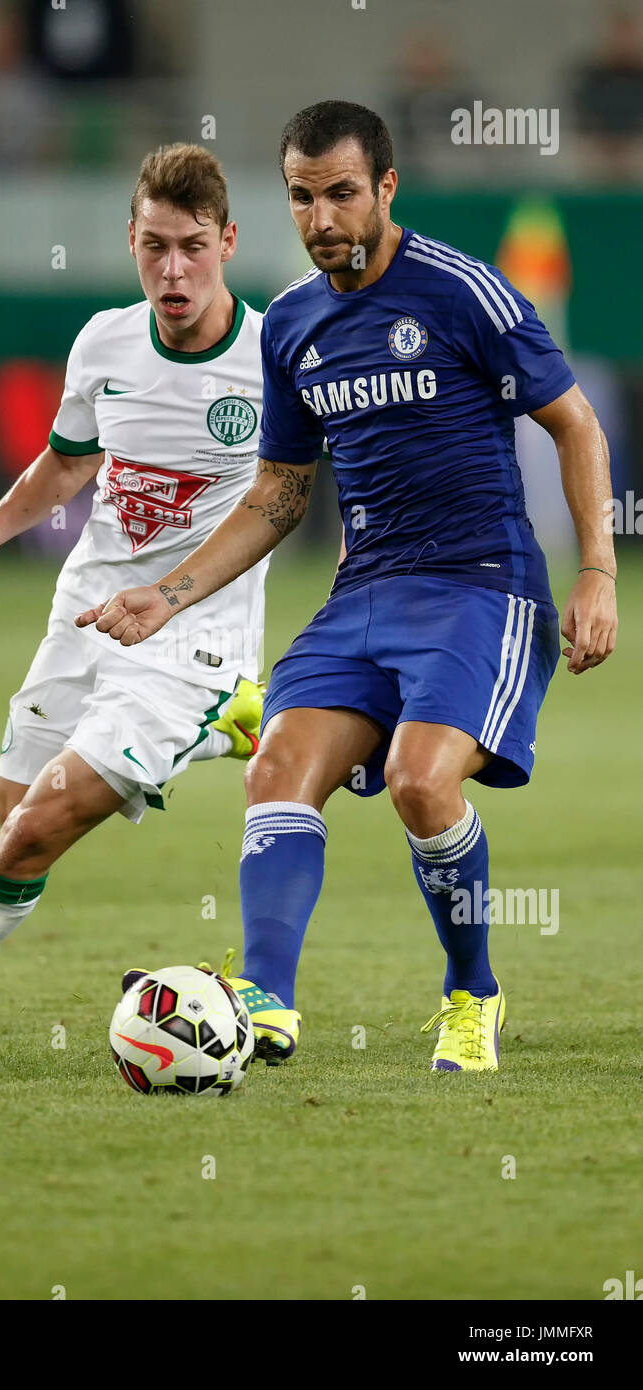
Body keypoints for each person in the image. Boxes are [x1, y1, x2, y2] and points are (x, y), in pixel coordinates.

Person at [80, 102, 618, 1072]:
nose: (320, 216)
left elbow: (572, 423)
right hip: (362, 592)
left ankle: (470, 994)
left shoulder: (461, 292)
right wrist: (170, 592)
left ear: (384, 189)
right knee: (275, 767)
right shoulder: (289, 323)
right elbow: (280, 493)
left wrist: (594, 571)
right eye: (299, 195)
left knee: (419, 782)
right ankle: (264, 1004)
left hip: (478, 588)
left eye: (338, 193)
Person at [0, 143, 270, 1046]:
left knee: (34, 832)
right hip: (85, 614)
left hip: (191, 639)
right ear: (131, 239)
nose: (171, 269)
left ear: (227, 240)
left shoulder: (274, 357)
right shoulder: (105, 341)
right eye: (153, 246)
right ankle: (229, 728)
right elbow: (69, 460)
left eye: (191, 247)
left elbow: (292, 494)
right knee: (13, 817)